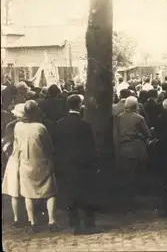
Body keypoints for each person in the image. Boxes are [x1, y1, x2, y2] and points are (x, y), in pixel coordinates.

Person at [53, 95, 101, 235]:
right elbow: (91, 147)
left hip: (67, 164)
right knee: (87, 192)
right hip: (83, 165)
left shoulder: (60, 124)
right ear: (80, 105)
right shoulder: (85, 125)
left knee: (70, 194)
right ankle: (89, 223)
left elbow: (57, 145)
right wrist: (94, 163)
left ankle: (74, 224)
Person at [11, 100, 59, 233]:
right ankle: (52, 220)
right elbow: (48, 146)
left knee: (28, 194)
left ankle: (32, 222)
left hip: (26, 163)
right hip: (42, 162)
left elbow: (16, 145)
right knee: (50, 192)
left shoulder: (18, 127)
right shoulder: (40, 127)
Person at [113, 96, 150, 206]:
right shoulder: (139, 118)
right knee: (136, 175)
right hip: (137, 149)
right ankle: (133, 200)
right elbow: (147, 133)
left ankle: (125, 200)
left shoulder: (119, 117)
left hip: (123, 149)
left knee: (125, 175)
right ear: (135, 106)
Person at [2, 103, 26, 228]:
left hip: (15, 160)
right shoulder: (31, 125)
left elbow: (6, 144)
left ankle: (17, 218)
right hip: (26, 159)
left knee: (15, 190)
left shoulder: (11, 126)